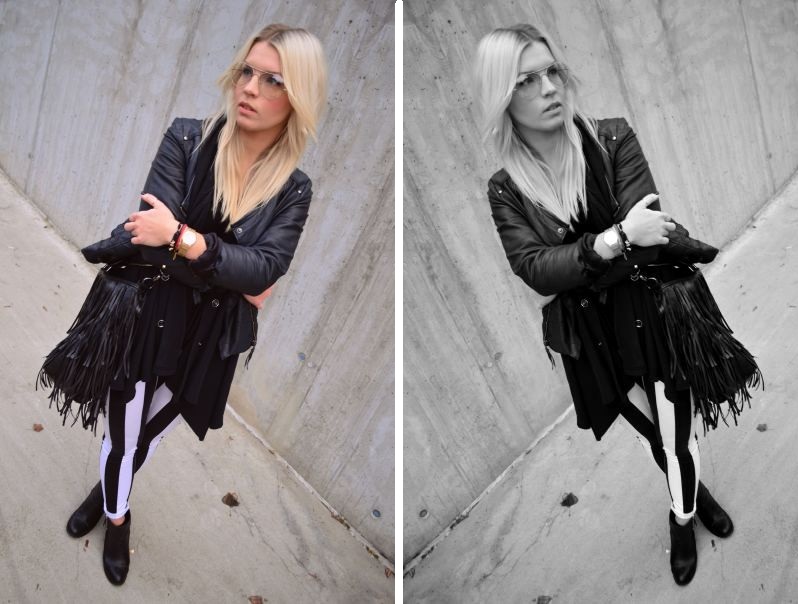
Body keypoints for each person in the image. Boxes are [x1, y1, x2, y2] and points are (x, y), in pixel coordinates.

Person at [50, 24, 327, 586]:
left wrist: (183, 237)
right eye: (247, 71)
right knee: (122, 437)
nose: (250, 88)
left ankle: (106, 493)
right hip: (145, 314)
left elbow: (264, 270)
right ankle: (118, 518)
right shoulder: (188, 139)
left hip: (207, 340)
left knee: (146, 437)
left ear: (298, 96)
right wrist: (224, 266)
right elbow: (156, 240)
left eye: (273, 80)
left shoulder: (293, 189)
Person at [474, 24, 750, 586]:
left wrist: (591, 256)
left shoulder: (611, 138)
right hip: (594, 340)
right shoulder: (507, 189)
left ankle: (681, 519)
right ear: (501, 96)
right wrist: (613, 239)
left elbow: (646, 238)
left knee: (677, 436)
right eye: (526, 80)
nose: (549, 88)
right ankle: (693, 492)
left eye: (552, 72)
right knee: (656, 436)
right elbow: (535, 270)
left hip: (654, 315)